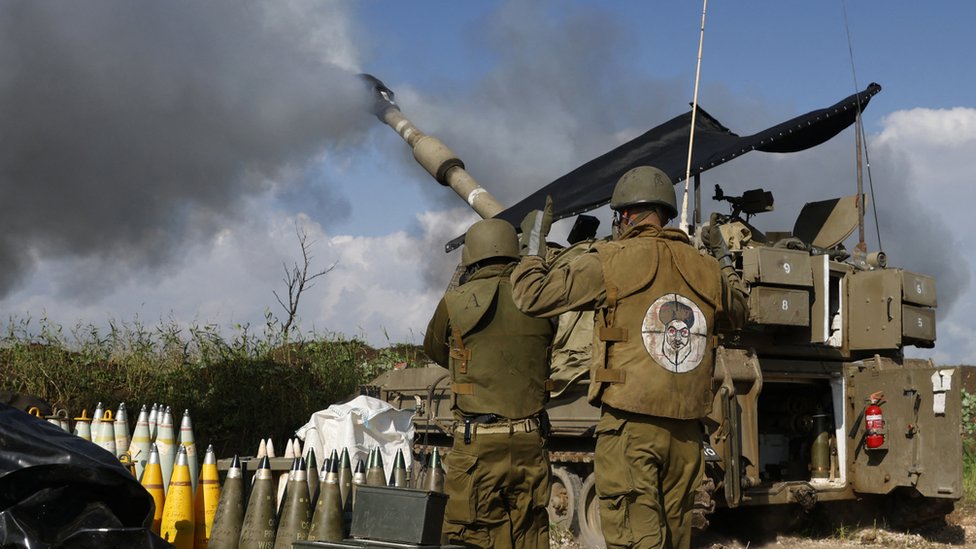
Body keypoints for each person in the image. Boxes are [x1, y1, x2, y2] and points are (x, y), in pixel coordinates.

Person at [510, 166, 746, 549]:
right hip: (688, 435)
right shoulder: (705, 269)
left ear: (625, 215)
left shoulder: (611, 259)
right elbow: (740, 310)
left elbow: (531, 295)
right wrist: (721, 257)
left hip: (630, 428)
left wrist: (533, 245)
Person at [423, 217, 555, 549]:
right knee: (530, 532)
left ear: (470, 257)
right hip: (530, 440)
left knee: (473, 535)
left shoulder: (454, 301)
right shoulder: (540, 298)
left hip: (477, 443)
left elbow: (434, 349)